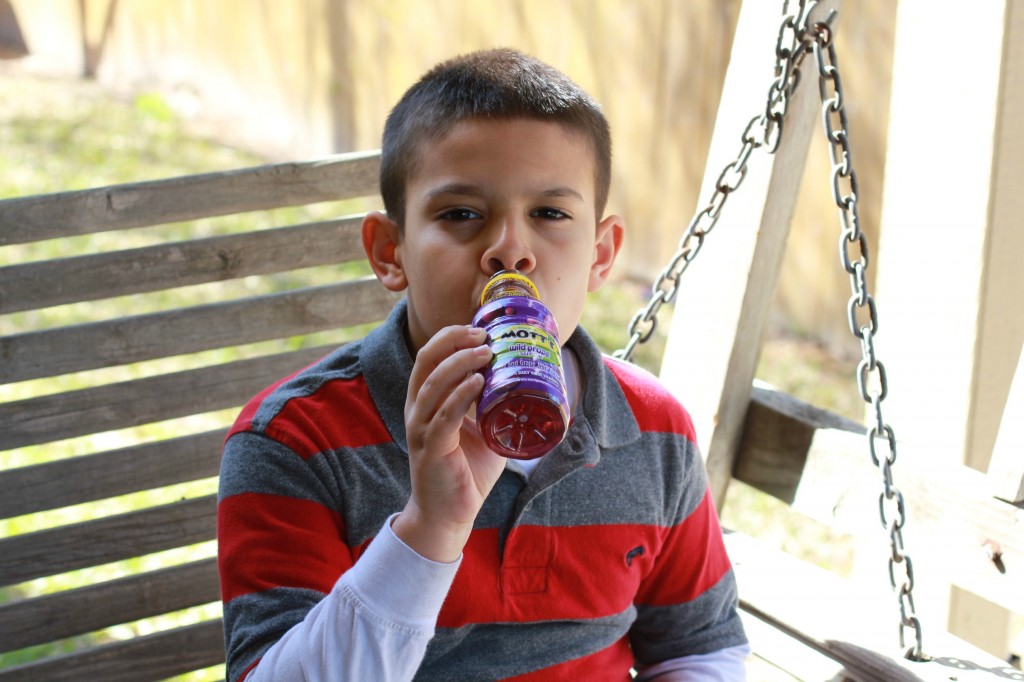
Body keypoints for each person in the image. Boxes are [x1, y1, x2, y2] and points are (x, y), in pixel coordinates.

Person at [217, 47, 749, 681]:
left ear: (601, 256)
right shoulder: (294, 441)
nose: (509, 250)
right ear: (391, 252)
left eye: (550, 214)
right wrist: (431, 526)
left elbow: (699, 648)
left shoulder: (654, 430)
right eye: (461, 215)